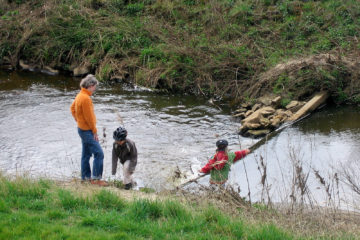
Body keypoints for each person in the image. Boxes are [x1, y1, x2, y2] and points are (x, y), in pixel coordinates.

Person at [70, 74, 108, 186]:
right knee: (99, 153)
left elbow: (72, 109)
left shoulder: (80, 94)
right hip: (87, 131)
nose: (95, 89)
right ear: (91, 85)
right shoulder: (86, 98)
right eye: (95, 86)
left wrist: (78, 120)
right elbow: (90, 117)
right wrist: (94, 131)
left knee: (86, 155)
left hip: (81, 129)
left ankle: (85, 178)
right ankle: (96, 179)